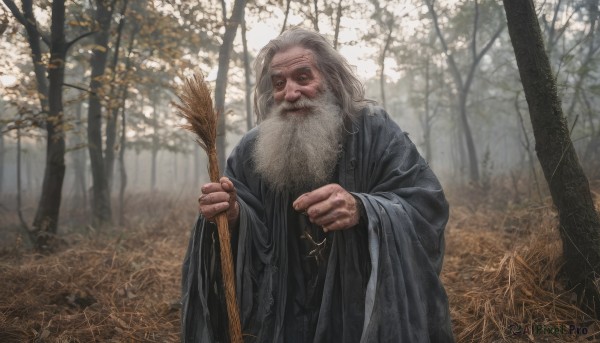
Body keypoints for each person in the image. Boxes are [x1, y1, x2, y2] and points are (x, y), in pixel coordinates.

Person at [181, 27, 454, 343]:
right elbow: (247, 228)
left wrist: (364, 209)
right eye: (279, 83)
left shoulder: (375, 132)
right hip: (282, 318)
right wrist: (233, 215)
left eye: (303, 77)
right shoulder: (251, 151)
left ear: (331, 79)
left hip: (357, 313)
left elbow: (425, 204)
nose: (290, 92)